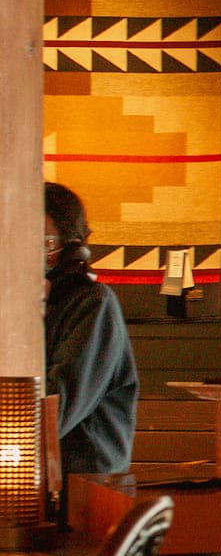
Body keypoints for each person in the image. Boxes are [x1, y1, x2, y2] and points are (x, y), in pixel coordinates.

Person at [42, 183, 139, 475]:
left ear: (69, 247)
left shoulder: (93, 304)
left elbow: (56, 409)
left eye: (41, 241)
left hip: (86, 489)